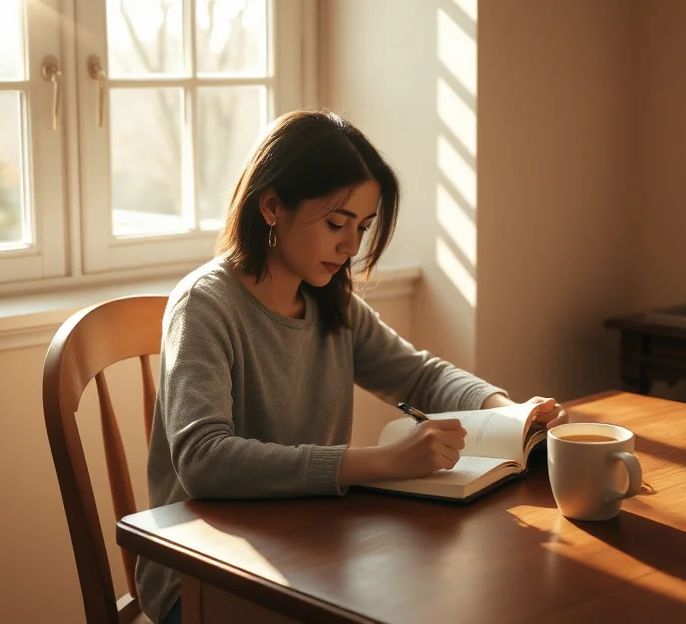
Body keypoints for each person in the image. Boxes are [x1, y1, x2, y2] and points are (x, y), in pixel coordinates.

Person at [135, 109, 567, 624]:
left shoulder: (330, 303)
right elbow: (203, 460)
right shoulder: (206, 306)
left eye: (362, 227)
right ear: (271, 206)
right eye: (336, 223)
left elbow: (420, 375)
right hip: (204, 577)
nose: (350, 246)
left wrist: (511, 413)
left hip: (310, 550)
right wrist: (381, 462)